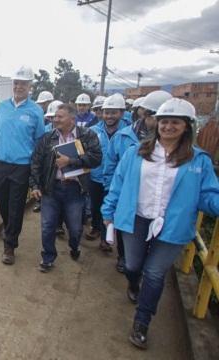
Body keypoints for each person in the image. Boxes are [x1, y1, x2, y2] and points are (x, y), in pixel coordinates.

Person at [102, 98, 219, 349]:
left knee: (155, 274)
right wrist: (108, 210)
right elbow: (118, 183)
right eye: (164, 121)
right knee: (132, 265)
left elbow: (209, 195)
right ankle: (134, 283)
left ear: (187, 126)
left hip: (172, 225)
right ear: (156, 123)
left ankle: (142, 322)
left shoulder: (199, 161)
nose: (168, 127)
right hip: (136, 218)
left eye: (175, 122)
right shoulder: (137, 152)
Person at [102, 90, 172, 272]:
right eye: (157, 118)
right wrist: (110, 193)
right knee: (129, 241)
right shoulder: (125, 137)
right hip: (129, 200)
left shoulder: (181, 150)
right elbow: (111, 166)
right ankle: (124, 260)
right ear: (144, 115)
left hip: (163, 208)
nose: (162, 125)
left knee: (154, 267)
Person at [0, 66, 45, 265]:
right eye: (16, 83)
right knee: (2, 202)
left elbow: (40, 141)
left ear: (30, 86)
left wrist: (36, 169)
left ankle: (9, 245)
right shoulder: (2, 107)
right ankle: (11, 229)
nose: (19, 87)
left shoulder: (35, 111)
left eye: (23, 84)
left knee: (16, 206)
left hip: (22, 166)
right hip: (0, 163)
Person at [30, 104, 102, 272]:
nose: (56, 119)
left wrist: (71, 161)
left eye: (60, 117)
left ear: (72, 119)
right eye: (55, 116)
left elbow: (96, 158)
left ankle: (74, 246)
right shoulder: (48, 138)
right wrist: (34, 185)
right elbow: (36, 162)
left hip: (75, 190)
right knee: (48, 226)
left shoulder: (87, 136)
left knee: (75, 228)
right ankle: (48, 257)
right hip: (51, 188)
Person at [87, 94, 128, 254]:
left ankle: (106, 239)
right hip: (95, 176)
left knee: (110, 208)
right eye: (106, 112)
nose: (109, 116)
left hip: (116, 180)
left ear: (122, 113)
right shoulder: (92, 131)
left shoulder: (128, 133)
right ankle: (96, 227)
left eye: (113, 112)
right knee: (95, 206)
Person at [34, 99, 63, 213]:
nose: (54, 120)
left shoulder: (71, 134)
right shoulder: (45, 132)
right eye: (51, 118)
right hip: (47, 174)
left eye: (56, 117)